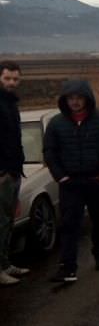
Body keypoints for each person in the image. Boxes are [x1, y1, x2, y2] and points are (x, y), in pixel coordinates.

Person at [44, 80, 99, 283]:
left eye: (78, 98)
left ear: (86, 98)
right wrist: (61, 176)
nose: (75, 102)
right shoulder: (56, 124)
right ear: (65, 100)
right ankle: (68, 268)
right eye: (70, 98)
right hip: (70, 184)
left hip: (96, 181)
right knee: (69, 225)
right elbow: (50, 152)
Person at [0, 61, 29, 286]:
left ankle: (5, 263)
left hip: (13, 172)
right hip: (3, 174)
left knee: (8, 221)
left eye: (15, 79)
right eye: (7, 78)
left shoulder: (11, 103)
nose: (11, 82)